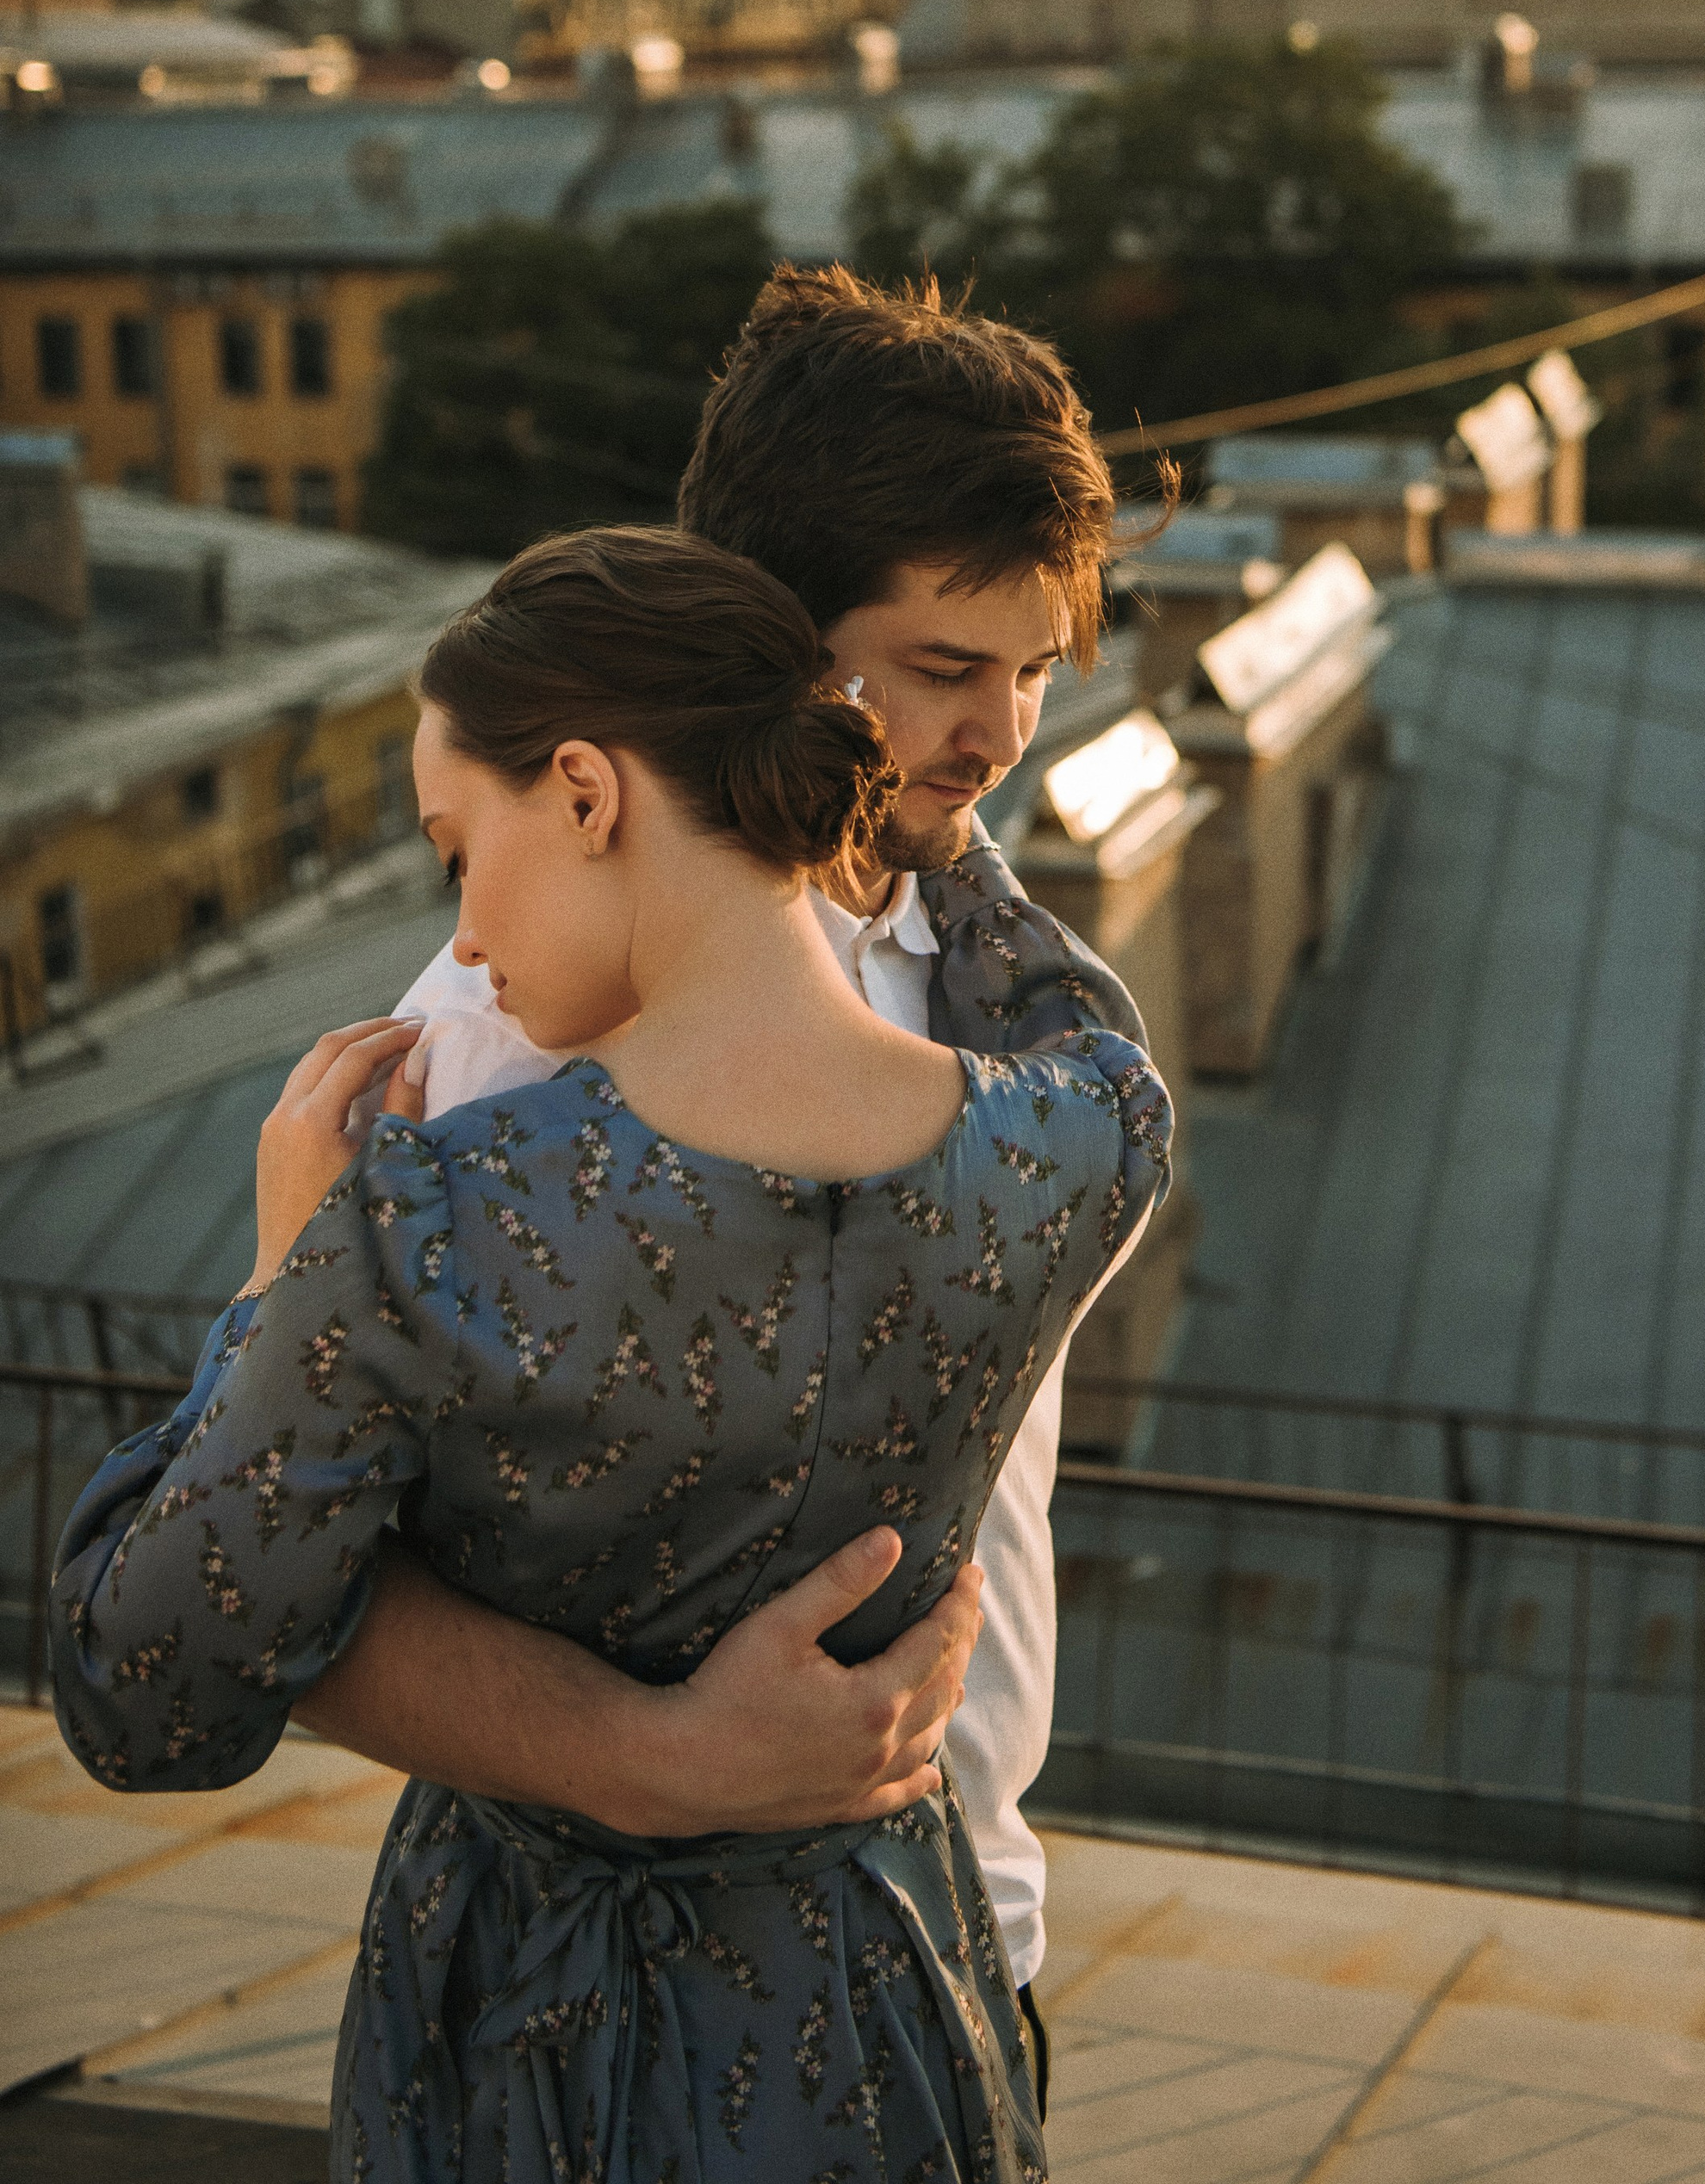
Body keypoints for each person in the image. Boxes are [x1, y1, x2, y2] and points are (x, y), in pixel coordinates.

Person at [53, 527, 1171, 2181]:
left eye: (457, 849)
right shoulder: (1083, 1141)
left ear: (586, 793)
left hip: (521, 2032)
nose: (465, 932)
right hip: (888, 2005)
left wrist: (284, 1277)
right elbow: (1025, 959)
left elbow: (145, 1693)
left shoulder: (420, 1231)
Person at [257, 268, 1165, 2078]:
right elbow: (285, 1601)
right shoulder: (503, 1030)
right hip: (602, 2009)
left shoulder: (1000, 986)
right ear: (767, 636)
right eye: (940, 671)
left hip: (964, 1946)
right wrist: (658, 1759)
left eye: (1034, 672)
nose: (999, 739)